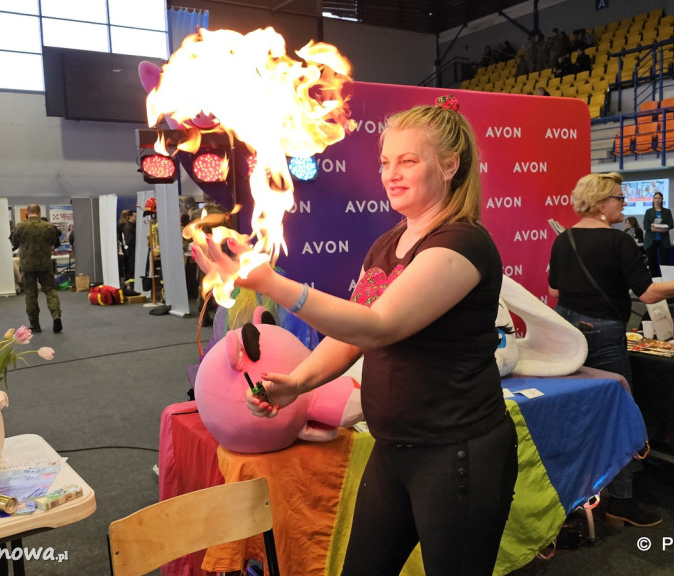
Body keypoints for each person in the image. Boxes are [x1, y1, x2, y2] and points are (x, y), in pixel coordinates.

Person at [192, 98, 518, 575]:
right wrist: (297, 383)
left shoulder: (461, 244)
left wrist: (268, 282)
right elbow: (352, 336)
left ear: (450, 165)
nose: (392, 173)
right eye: (386, 162)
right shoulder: (388, 243)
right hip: (394, 449)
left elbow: (379, 325)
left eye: (408, 160)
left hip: (457, 454)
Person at [548, 172, 674, 527]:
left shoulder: (564, 239)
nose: (624, 203)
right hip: (602, 332)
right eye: (618, 197)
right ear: (602, 203)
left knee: (581, 413)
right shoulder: (620, 243)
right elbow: (648, 294)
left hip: (567, 331)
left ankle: (575, 494)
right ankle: (622, 499)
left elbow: (555, 290)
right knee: (620, 414)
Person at [11, 204, 62, 333]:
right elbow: (54, 242)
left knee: (30, 294)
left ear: (27, 213)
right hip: (45, 264)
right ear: (39, 213)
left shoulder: (20, 226)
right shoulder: (49, 227)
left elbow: (14, 242)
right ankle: (56, 316)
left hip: (27, 266)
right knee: (50, 291)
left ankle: (35, 324)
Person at [643, 191, 674, 278]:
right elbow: (645, 225)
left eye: (659, 198)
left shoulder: (667, 212)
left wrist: (664, 228)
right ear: (653, 200)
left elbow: (671, 224)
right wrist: (652, 228)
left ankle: (665, 278)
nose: (657, 200)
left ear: (662, 200)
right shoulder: (648, 212)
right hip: (651, 240)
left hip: (663, 240)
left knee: (664, 261)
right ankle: (654, 279)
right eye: (655, 198)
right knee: (652, 262)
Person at [121, 209, 137, 286]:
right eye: (135, 216)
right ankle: (131, 284)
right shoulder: (128, 227)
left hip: (134, 249)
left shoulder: (133, 226)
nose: (136, 217)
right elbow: (129, 241)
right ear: (130, 217)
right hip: (132, 250)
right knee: (132, 267)